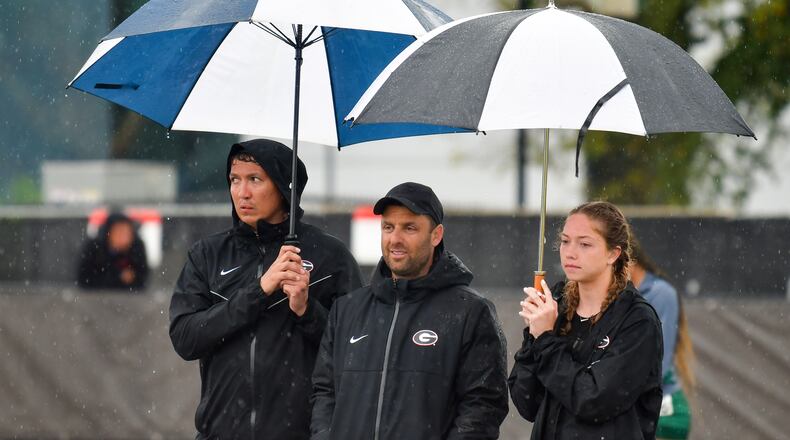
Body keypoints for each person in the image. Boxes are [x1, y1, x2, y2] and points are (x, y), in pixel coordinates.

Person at [169, 138, 363, 440]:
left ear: (284, 188)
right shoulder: (207, 254)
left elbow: (357, 353)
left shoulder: (331, 257)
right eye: (235, 180)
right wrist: (259, 291)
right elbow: (185, 338)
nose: (241, 192)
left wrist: (306, 310)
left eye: (255, 180)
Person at [311, 182, 509, 440]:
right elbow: (324, 392)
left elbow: (483, 406)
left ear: (436, 235)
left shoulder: (470, 312)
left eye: (410, 228)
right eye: (388, 227)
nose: (395, 239)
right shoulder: (347, 309)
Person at [508, 201, 663, 439]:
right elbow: (527, 402)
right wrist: (534, 335)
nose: (570, 252)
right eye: (565, 241)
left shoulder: (638, 321)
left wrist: (547, 341)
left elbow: (593, 400)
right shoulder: (556, 304)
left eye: (585, 244)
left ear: (613, 253)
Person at [630, 239, 694, 440]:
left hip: (665, 409)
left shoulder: (661, 293)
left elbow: (659, 362)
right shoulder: (621, 296)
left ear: (630, 261)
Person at [77, 212, 148, 290]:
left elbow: (143, 278)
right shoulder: (95, 248)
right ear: (108, 233)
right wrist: (117, 277)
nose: (124, 238)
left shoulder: (136, 248)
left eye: (127, 233)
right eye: (119, 233)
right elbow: (85, 279)